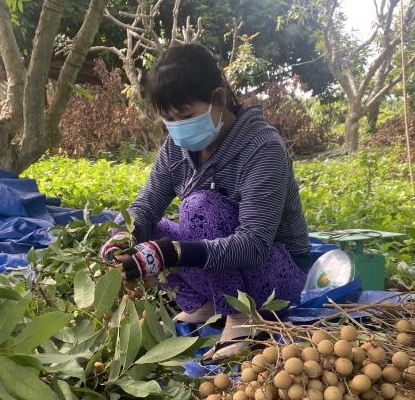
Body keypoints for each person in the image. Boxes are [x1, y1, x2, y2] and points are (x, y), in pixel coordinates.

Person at [100, 43, 312, 360]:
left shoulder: (262, 149)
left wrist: (170, 252)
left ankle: (242, 316)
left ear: (218, 99)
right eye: (168, 119)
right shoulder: (175, 150)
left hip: (274, 274)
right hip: (225, 270)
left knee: (198, 207)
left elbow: (254, 242)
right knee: (140, 228)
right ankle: (204, 305)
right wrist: (123, 237)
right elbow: (145, 208)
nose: (177, 127)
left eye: (185, 116)